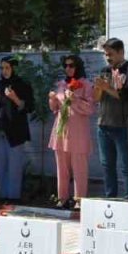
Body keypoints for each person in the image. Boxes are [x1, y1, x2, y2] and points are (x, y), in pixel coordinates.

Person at [48, 55, 95, 208]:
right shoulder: (62, 84)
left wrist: (75, 99)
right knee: (61, 166)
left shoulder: (86, 84)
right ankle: (62, 198)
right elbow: (54, 109)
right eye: (66, 66)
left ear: (78, 66)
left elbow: (90, 109)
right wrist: (52, 99)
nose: (68, 69)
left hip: (78, 131)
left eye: (71, 66)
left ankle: (79, 200)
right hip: (61, 130)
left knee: (79, 167)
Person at [93, 38, 128, 199]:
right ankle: (110, 199)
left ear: (121, 52)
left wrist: (107, 87)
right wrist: (98, 88)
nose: (108, 58)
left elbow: (126, 97)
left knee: (126, 167)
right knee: (107, 166)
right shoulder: (105, 70)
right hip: (103, 125)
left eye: (110, 54)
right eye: (106, 54)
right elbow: (97, 98)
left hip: (123, 125)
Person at [0, 56, 34, 203]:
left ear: (14, 68)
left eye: (7, 67)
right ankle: (3, 196)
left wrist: (15, 98)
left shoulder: (23, 84)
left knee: (14, 167)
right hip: (0, 131)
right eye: (2, 68)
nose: (4, 71)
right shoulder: (0, 84)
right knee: (1, 166)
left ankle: (13, 197)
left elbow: (29, 107)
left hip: (15, 132)